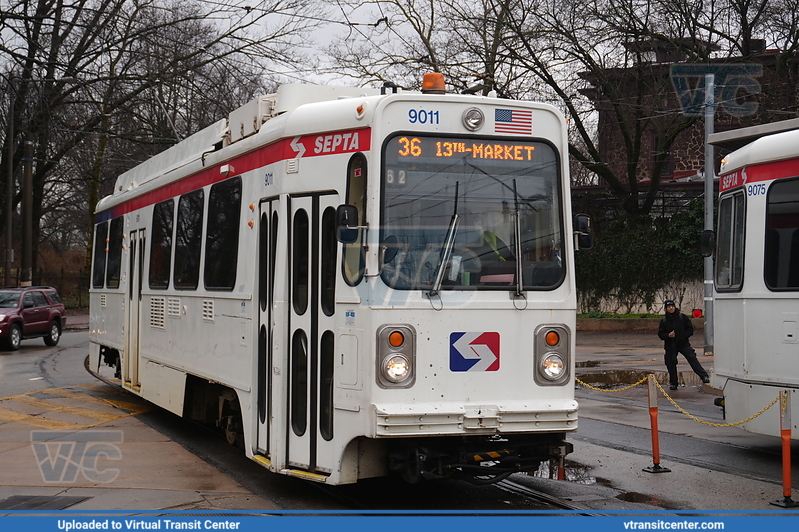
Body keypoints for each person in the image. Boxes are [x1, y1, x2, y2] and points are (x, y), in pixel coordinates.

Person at [657, 300, 710, 390]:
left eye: (672, 306)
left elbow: (690, 329)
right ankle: (673, 383)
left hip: (683, 343)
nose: (671, 308)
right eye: (669, 307)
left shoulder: (682, 317)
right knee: (670, 363)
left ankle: (704, 376)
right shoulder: (664, 321)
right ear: (666, 309)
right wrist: (668, 335)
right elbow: (660, 334)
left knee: (692, 358)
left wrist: (683, 336)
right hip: (670, 345)